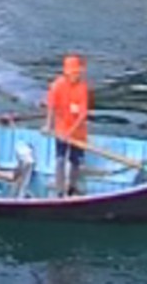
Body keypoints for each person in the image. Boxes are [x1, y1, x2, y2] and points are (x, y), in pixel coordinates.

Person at [44, 54, 91, 197]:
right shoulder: (57, 86)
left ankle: (72, 188)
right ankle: (59, 191)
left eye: (78, 73)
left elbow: (82, 115)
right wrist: (48, 126)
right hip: (61, 129)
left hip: (77, 131)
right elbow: (51, 108)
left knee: (76, 161)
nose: (76, 76)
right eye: (73, 73)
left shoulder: (82, 88)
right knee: (60, 159)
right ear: (66, 72)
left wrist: (70, 133)